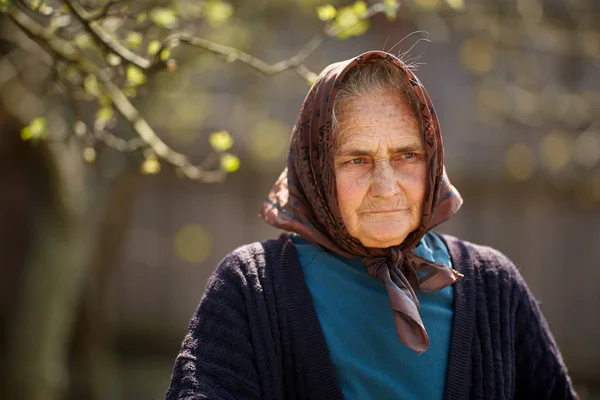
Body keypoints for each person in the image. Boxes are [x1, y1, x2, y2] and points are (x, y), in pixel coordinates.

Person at [165, 51, 578, 400]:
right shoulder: (251, 289)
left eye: (407, 155)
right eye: (357, 159)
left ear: (433, 161)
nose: (385, 188)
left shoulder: (493, 287)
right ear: (317, 171)